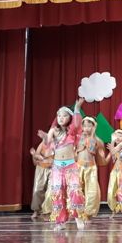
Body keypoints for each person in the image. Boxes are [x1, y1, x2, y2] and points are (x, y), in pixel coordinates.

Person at [39, 98, 86, 231]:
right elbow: (47, 142)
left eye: (64, 115)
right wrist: (45, 137)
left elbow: (77, 124)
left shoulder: (72, 131)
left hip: (70, 166)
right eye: (59, 115)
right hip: (57, 167)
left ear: (70, 118)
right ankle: (61, 221)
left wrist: (77, 108)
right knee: (58, 192)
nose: (60, 118)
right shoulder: (54, 130)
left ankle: (78, 217)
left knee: (75, 191)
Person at [76, 115, 105, 224]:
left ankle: (88, 214)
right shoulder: (78, 138)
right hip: (79, 167)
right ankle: (77, 213)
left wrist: (93, 134)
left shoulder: (98, 141)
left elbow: (100, 158)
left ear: (94, 127)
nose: (86, 128)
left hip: (91, 168)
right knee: (77, 190)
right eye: (84, 126)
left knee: (92, 192)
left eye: (89, 126)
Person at [29, 140, 53, 220]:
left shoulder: (59, 143)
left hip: (53, 170)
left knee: (50, 191)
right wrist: (34, 155)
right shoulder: (43, 143)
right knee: (37, 190)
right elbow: (35, 162)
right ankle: (36, 210)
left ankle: (47, 212)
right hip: (41, 169)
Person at [105, 129, 122, 217]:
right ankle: (113, 210)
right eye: (116, 136)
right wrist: (112, 143)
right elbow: (112, 159)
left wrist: (113, 148)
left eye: (120, 136)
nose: (118, 137)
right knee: (111, 191)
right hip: (114, 171)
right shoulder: (115, 148)